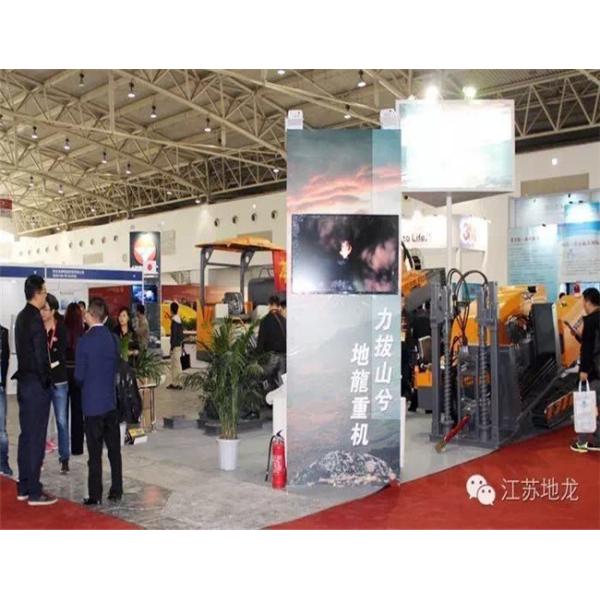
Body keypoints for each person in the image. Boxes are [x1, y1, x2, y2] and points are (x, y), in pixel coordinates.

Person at [12, 274, 57, 506]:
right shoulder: (35, 319)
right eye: (45, 292)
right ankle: (34, 491)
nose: (45, 296)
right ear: (37, 293)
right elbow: (41, 356)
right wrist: (48, 381)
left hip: (24, 383)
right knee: (37, 437)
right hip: (36, 386)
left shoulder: (22, 316)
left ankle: (24, 485)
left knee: (26, 436)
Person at [75, 297, 122, 505]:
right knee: (114, 450)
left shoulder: (84, 341)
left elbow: (79, 376)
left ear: (91, 315)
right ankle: (116, 489)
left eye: (86, 312)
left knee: (94, 454)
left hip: (92, 405)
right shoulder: (113, 339)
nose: (84, 315)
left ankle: (95, 494)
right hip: (110, 403)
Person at [41, 294, 70, 473]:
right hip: (42, 382)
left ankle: (64, 458)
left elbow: (60, 353)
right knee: (41, 421)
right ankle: (39, 458)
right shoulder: (37, 328)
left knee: (61, 420)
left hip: (59, 381)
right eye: (41, 309)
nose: (42, 313)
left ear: (52, 311)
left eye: (45, 309)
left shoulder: (62, 329)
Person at [570, 287, 600, 453]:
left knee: (584, 403)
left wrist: (584, 370)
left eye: (583, 301)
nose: (583, 304)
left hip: (594, 370)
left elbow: (588, 347)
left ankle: (581, 442)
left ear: (588, 301)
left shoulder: (590, 320)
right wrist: (578, 335)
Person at [65, 302, 85, 456]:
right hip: (78, 374)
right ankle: (77, 448)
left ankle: (64, 446)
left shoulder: (62, 330)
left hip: (64, 373)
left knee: (62, 413)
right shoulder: (83, 333)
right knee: (78, 412)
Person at [257, 295, 287, 382]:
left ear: (269, 305)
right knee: (281, 382)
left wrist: (257, 357)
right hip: (283, 356)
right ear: (278, 306)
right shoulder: (284, 321)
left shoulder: (265, 321)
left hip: (271, 357)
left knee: (266, 380)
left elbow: (261, 341)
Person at [0, 322, 12, 476]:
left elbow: (6, 359)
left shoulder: (3, 333)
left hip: (0, 387)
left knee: (1, 430)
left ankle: (3, 463)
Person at [167, 302, 184, 390]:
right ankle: (174, 383)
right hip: (178, 345)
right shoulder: (178, 320)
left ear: (171, 310)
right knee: (175, 365)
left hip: (175, 346)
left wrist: (172, 347)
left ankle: (179, 383)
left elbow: (174, 335)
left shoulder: (174, 321)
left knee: (176, 365)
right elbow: (180, 335)